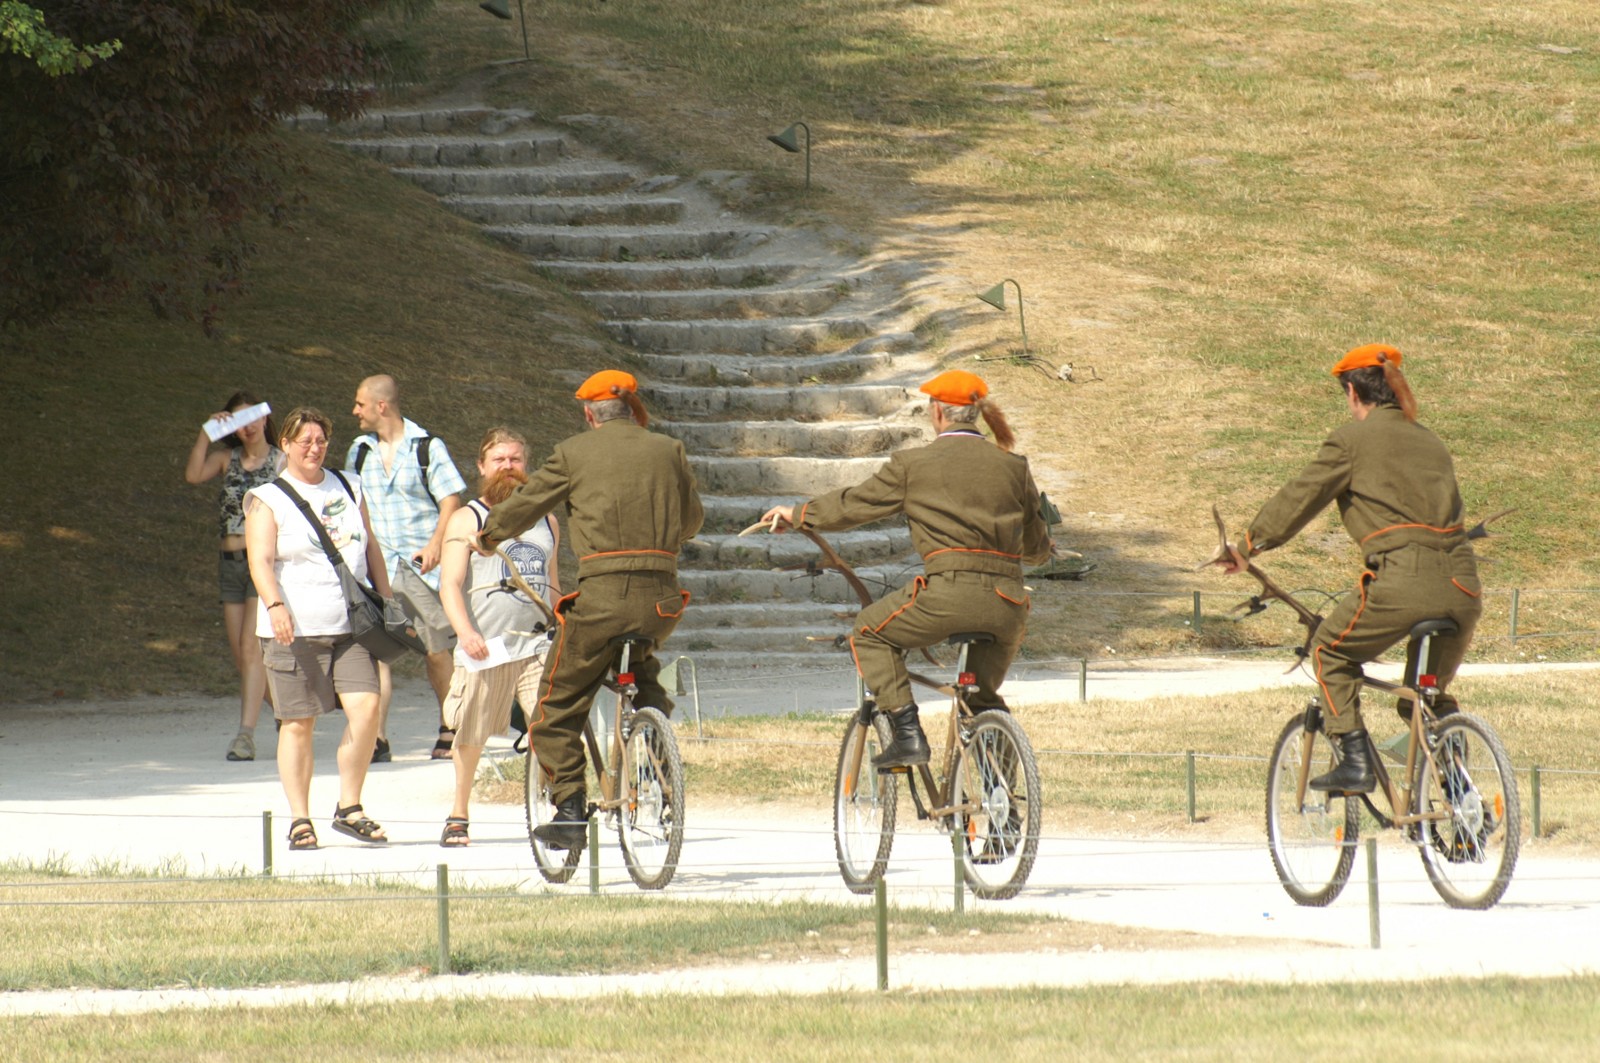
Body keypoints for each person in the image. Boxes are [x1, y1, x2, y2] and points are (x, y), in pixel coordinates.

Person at [1215, 344, 1481, 793]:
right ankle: (1460, 801)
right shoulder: (1431, 440)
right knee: (1424, 697)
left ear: (1354, 392)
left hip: (1403, 580)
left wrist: (1248, 545)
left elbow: (1303, 495)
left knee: (1330, 652)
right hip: (1462, 586)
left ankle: (1354, 762)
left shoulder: (1352, 440)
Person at [761, 369, 1053, 771]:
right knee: (980, 699)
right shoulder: (1014, 466)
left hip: (947, 596)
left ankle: (907, 734)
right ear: (977, 414)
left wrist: (799, 514)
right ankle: (1001, 799)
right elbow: (1036, 550)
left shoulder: (914, 464)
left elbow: (856, 505)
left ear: (937, 412)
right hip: (1007, 604)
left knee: (868, 632)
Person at [475, 371, 702, 850]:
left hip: (602, 601)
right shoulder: (668, 449)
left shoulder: (574, 453)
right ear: (631, 406)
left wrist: (489, 534)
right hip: (661, 601)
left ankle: (571, 810)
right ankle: (659, 761)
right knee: (642, 674)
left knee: (554, 706)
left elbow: (527, 504)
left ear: (588, 413)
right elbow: (692, 520)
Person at [244, 407, 394, 850]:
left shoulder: (349, 485)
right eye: (304, 441)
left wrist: (386, 599)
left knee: (367, 711)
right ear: (285, 445)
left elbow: (371, 547)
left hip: (351, 624)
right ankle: (300, 819)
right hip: (295, 627)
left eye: (321, 440)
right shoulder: (267, 497)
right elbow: (260, 560)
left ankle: (350, 806)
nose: (314, 448)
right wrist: (274, 605)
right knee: (298, 723)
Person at [437, 427, 560, 847]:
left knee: (551, 724)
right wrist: (466, 632)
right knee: (472, 733)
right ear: (482, 467)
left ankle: (557, 809)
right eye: (499, 460)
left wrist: (564, 620)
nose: (508, 467)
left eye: (516, 459)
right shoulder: (467, 517)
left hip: (536, 643)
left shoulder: (546, 518)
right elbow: (450, 584)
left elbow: (552, 580)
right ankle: (459, 812)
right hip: (487, 644)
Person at [346, 374, 468, 763]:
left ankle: (451, 725)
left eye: (360, 404)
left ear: (381, 406)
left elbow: (450, 500)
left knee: (435, 649)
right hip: (375, 567)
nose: (355, 411)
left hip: (418, 567)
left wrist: (435, 545)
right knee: (375, 650)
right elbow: (352, 503)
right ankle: (375, 738)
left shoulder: (426, 447)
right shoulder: (359, 450)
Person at [184, 390, 284, 762]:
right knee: (242, 658)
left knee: (250, 648)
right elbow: (193, 474)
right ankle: (286, 710)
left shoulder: (281, 461)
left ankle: (245, 735)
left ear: (264, 418)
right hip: (230, 563)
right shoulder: (227, 459)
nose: (248, 426)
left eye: (252, 417)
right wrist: (205, 433)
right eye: (238, 421)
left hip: (264, 562)